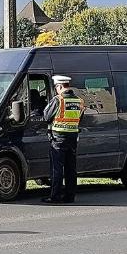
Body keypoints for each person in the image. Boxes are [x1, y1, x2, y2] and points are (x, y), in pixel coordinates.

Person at [42, 75, 84, 204]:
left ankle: (55, 196)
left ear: (60, 86)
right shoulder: (79, 101)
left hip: (58, 139)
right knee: (71, 168)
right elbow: (79, 119)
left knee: (57, 168)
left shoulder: (58, 100)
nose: (56, 90)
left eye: (56, 88)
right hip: (73, 138)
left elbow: (46, 116)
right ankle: (70, 196)